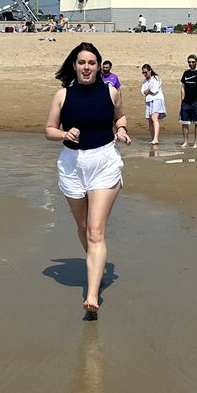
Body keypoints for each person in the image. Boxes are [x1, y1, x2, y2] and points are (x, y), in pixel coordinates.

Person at [45, 41, 131, 317]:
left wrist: (122, 130)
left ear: (99, 66)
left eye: (91, 63)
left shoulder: (111, 92)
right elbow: (48, 129)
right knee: (82, 227)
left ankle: (92, 296)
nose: (86, 67)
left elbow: (120, 117)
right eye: (82, 62)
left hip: (104, 161)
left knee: (95, 231)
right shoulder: (62, 96)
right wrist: (64, 134)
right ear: (74, 65)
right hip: (72, 165)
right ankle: (97, 263)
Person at [179, 53, 197, 148]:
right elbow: (182, 87)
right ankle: (185, 142)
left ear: (196, 62)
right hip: (185, 102)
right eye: (189, 62)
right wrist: (183, 99)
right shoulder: (186, 73)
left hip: (195, 102)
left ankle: (196, 143)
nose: (191, 64)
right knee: (184, 123)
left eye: (193, 62)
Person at [140, 64, 166, 145]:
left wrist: (147, 90)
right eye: (143, 73)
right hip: (148, 101)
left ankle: (156, 139)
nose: (144, 74)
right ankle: (153, 138)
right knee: (150, 120)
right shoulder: (144, 81)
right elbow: (143, 92)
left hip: (157, 99)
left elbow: (154, 90)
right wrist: (148, 90)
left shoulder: (156, 78)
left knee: (154, 118)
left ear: (150, 70)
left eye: (146, 72)